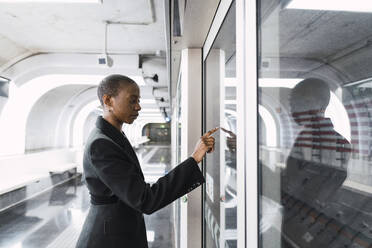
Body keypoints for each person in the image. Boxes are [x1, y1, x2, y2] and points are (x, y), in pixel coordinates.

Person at [76, 74, 217, 248]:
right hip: (108, 238)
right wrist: (194, 158)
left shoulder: (112, 136)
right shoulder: (101, 144)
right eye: (132, 100)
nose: (138, 107)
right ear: (108, 101)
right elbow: (145, 200)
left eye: (139, 100)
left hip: (118, 231)